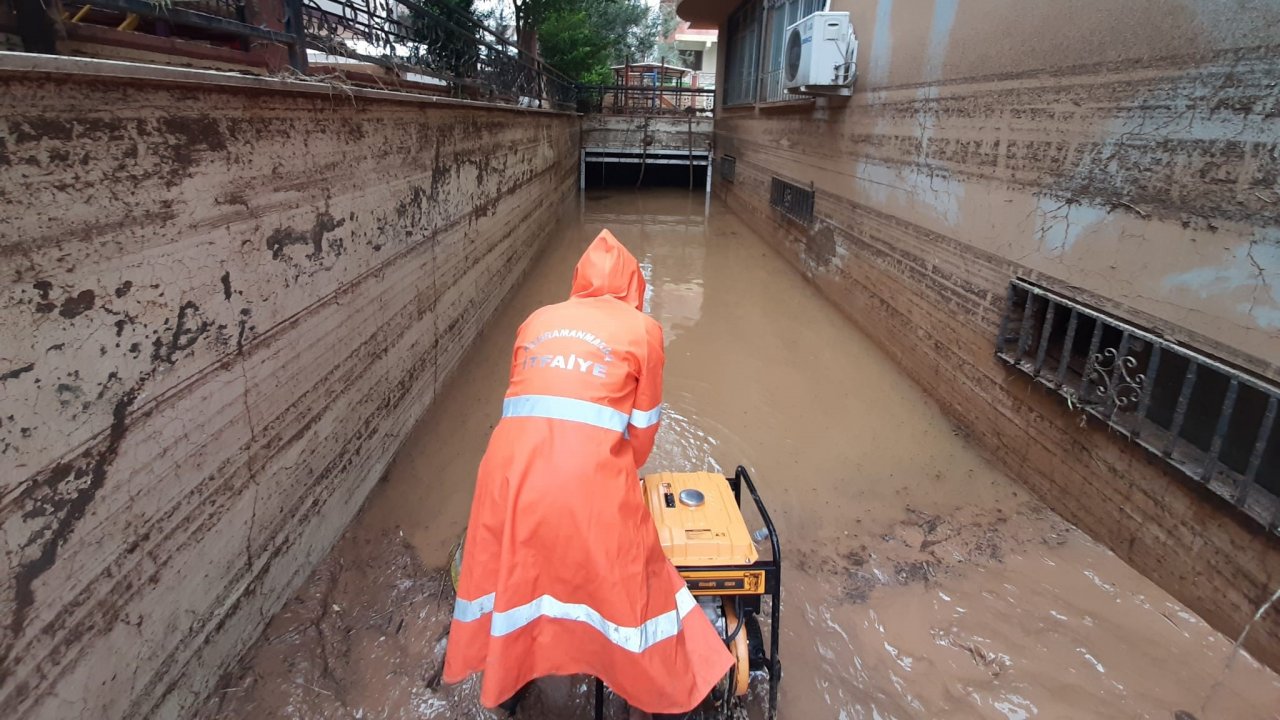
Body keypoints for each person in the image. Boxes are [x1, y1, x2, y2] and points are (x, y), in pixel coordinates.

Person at [443, 230, 732, 717]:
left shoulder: (536, 320)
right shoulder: (643, 331)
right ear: (633, 287)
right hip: (584, 481)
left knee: (518, 578)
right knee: (634, 581)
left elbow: (525, 406)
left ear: (579, 281)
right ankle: (666, 692)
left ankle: (510, 682)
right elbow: (640, 436)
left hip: (505, 477)